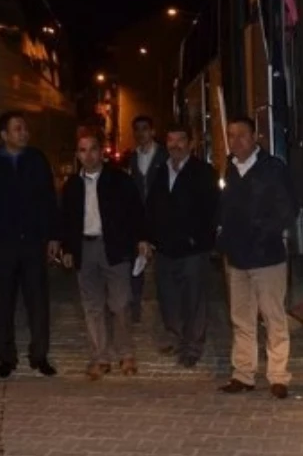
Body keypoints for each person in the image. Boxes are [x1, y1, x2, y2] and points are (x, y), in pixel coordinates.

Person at [50, 129, 151, 380]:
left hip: (114, 248)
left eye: (93, 149)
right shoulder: (72, 185)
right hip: (85, 249)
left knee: (120, 303)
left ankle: (126, 353)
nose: (88, 155)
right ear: (77, 155)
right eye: (83, 150)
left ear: (101, 151)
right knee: (92, 306)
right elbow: (65, 219)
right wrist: (67, 248)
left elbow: (136, 212)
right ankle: (99, 357)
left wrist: (141, 239)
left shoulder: (119, 180)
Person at [0, 111, 59, 379]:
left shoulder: (37, 160)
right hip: (2, 245)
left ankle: (40, 356)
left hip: (32, 243)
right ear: (4, 134)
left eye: (25, 128)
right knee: (4, 304)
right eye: (18, 129)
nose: (24, 133)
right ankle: (6, 358)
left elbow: (49, 201)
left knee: (38, 303)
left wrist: (53, 236)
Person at [216, 116, 297, 400]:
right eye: (231, 135)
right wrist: (223, 240)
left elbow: (287, 209)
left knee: (273, 318)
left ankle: (278, 376)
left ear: (255, 138)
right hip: (237, 258)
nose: (236, 141)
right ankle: (243, 374)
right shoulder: (229, 169)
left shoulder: (273, 168)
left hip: (267, 257)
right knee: (241, 319)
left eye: (242, 135)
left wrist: (264, 234)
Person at [146, 123, 218, 367]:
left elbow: (211, 210)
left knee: (194, 300)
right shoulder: (161, 171)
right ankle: (176, 338)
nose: (175, 145)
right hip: (165, 249)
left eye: (180, 140)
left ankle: (193, 347)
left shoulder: (203, 171)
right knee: (169, 299)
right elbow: (152, 208)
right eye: (171, 140)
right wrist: (150, 238)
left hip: (192, 250)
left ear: (190, 143)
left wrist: (198, 239)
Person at [123, 115, 167, 323]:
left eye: (144, 129)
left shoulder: (164, 156)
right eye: (137, 130)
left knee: (163, 264)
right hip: (138, 217)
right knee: (135, 262)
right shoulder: (133, 158)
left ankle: (166, 308)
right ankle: (135, 305)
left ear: (152, 131)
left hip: (161, 217)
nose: (141, 134)